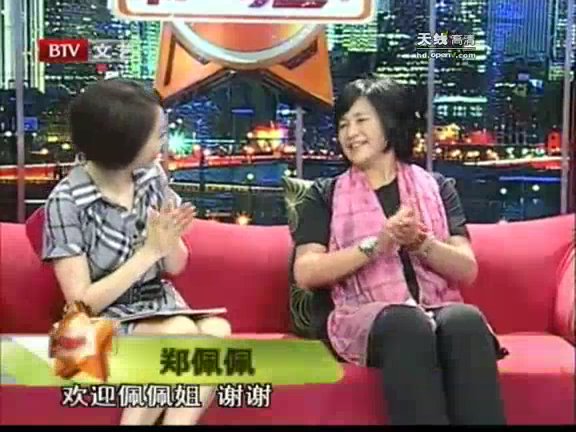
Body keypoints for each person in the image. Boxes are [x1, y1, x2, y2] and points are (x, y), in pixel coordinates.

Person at [292, 77, 507, 425]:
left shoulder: (437, 187)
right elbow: (306, 271)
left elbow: (466, 269)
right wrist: (376, 244)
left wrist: (420, 242)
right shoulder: (324, 194)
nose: (350, 133)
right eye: (343, 124)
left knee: (465, 321)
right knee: (407, 324)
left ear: (390, 123)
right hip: (361, 316)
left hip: (437, 305)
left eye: (361, 120)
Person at [42, 79, 232, 425]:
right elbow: (81, 304)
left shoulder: (151, 178)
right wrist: (148, 253)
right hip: (88, 328)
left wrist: (169, 240)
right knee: (179, 334)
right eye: (158, 135)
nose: (163, 144)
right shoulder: (66, 201)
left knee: (217, 331)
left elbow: (177, 265)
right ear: (124, 140)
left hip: (159, 308)